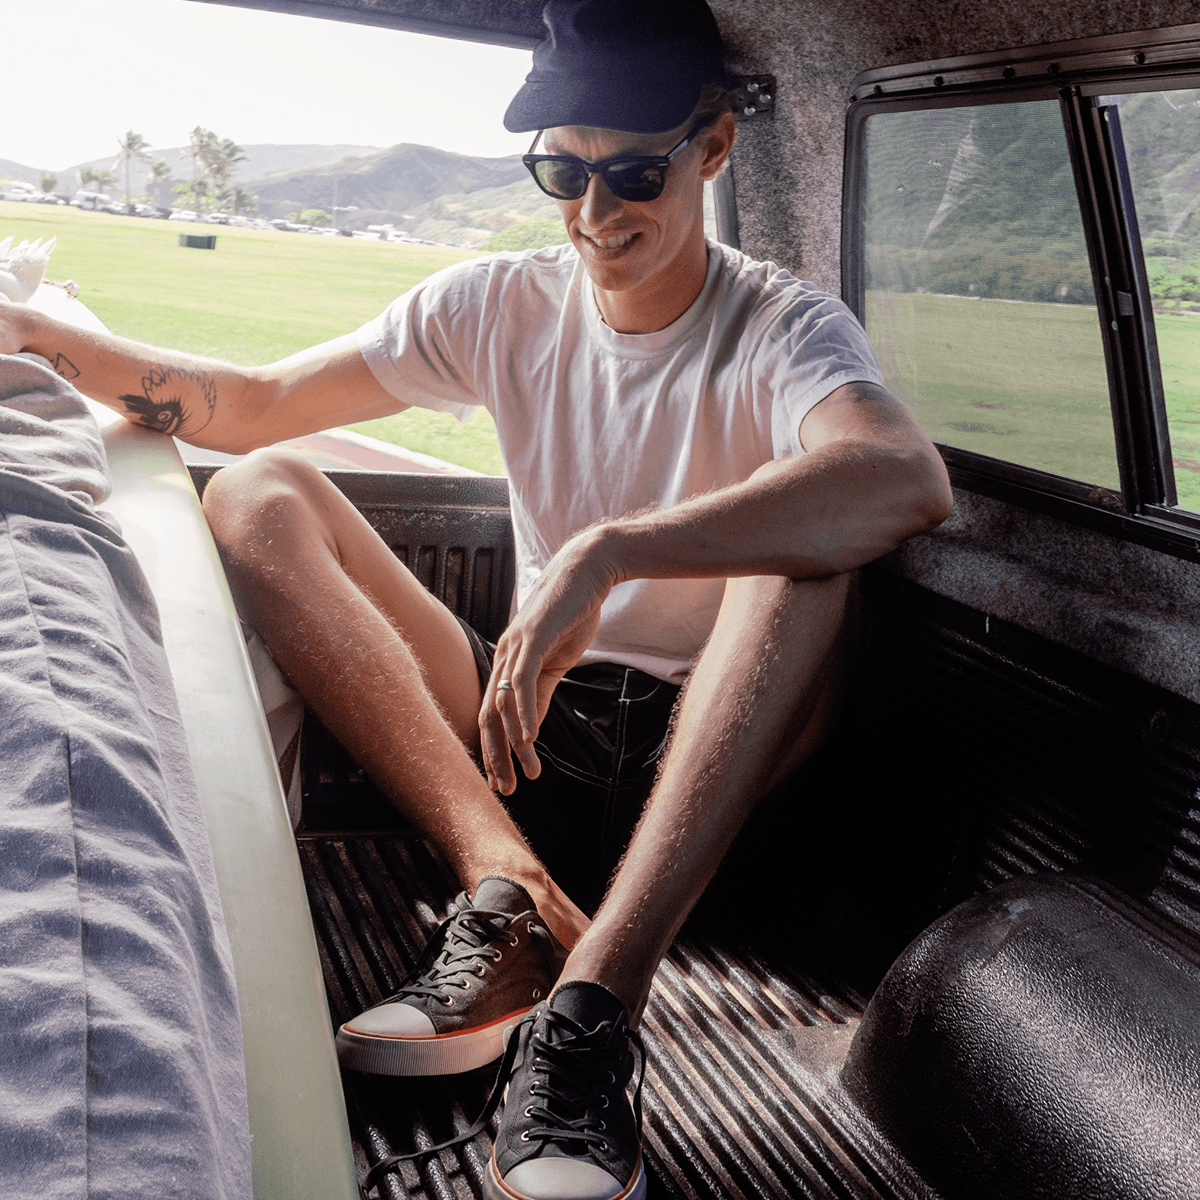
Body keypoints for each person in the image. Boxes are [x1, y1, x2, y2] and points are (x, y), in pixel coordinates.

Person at [0, 2, 952, 1196]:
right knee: (259, 494)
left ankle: (596, 1008)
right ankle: (505, 895)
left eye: (634, 174)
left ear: (713, 147)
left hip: (714, 778)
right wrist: (42, 336)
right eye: (563, 168)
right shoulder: (501, 304)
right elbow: (251, 404)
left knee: (811, 548)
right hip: (529, 740)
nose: (595, 216)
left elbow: (903, 480)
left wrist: (609, 552)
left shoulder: (783, 329)